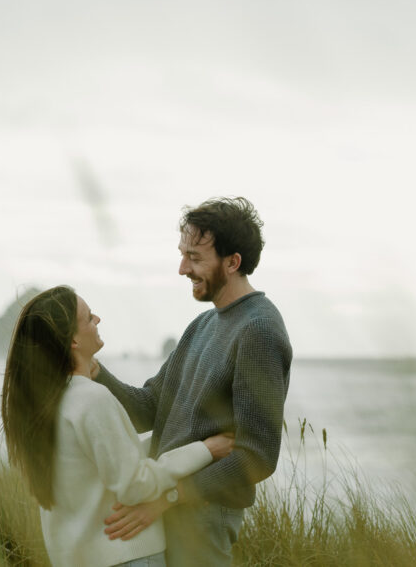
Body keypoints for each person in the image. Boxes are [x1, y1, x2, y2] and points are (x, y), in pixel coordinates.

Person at [93, 196, 293, 567]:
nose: (183, 268)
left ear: (232, 262)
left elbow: (258, 456)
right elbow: (147, 410)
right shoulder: (203, 325)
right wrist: (93, 371)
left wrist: (169, 497)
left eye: (195, 257)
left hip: (203, 515)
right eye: (183, 254)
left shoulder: (259, 331)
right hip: (169, 506)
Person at [1, 285, 235, 567]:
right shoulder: (92, 399)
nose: (97, 320)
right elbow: (135, 485)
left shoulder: (49, 404)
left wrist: (187, 438)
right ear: (72, 340)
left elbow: (109, 459)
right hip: (128, 556)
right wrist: (205, 449)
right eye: (88, 318)